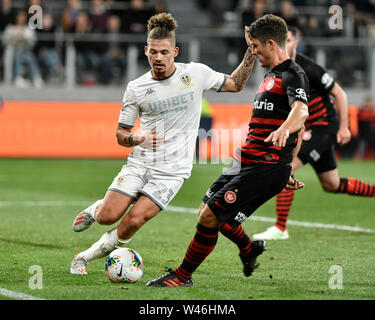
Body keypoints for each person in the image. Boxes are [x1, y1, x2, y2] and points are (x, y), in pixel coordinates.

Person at [70, 12, 257, 274]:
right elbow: (121, 134)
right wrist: (137, 137)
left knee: (134, 221)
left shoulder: (196, 74)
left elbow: (236, 84)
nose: (158, 57)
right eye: (154, 52)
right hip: (141, 162)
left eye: (164, 52)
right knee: (108, 217)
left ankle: (83, 258)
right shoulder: (136, 87)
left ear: (175, 52)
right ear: (146, 51)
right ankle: (95, 210)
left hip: (172, 171)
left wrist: (251, 52)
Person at [146, 14, 309, 287]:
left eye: (256, 46)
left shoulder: (294, 74)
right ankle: (248, 249)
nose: (254, 52)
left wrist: (284, 140)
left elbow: (301, 113)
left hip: (265, 166)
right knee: (205, 212)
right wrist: (289, 164)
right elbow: (297, 127)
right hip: (247, 161)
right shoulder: (272, 74)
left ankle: (182, 276)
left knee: (212, 215)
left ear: (271, 44)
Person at [253, 26, 375, 241]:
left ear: (294, 43)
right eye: (284, 39)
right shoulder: (279, 70)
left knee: (285, 168)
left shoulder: (308, 67)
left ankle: (280, 227)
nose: (286, 43)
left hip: (323, 127)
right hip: (307, 130)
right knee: (331, 184)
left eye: (289, 40)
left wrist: (345, 126)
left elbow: (339, 92)